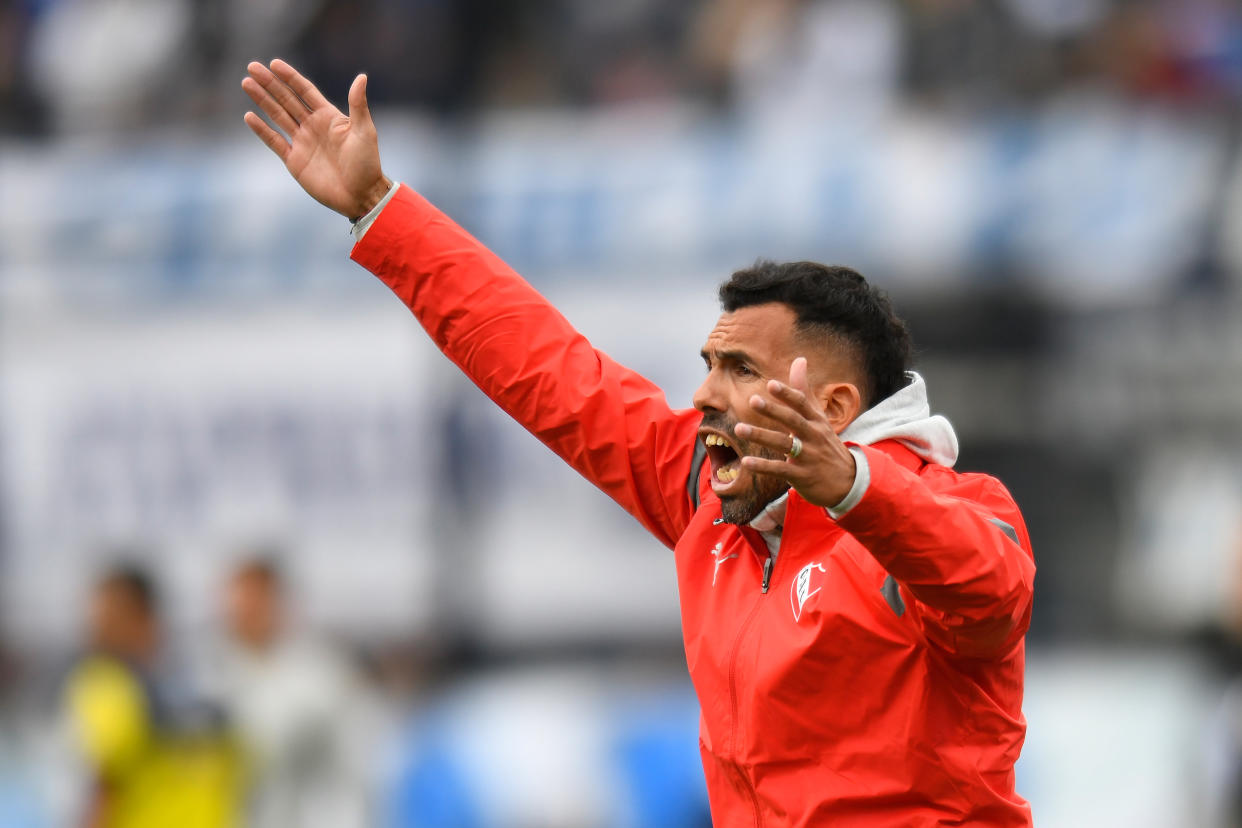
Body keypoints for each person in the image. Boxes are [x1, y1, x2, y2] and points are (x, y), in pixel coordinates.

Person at [241, 59, 1036, 826]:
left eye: (739, 369)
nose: (704, 395)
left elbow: (991, 588)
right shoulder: (713, 504)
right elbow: (552, 370)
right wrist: (381, 211)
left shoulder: (949, 513)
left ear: (833, 406)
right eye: (708, 365)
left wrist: (856, 488)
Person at [63, 564, 245, 828]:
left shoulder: (104, 683)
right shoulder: (214, 673)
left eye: (106, 618)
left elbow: (104, 785)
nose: (96, 631)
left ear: (141, 616)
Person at [211, 556, 370, 828]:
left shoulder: (320, 677)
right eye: (237, 603)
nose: (243, 613)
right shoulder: (208, 674)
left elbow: (352, 768)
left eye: (254, 602)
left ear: (277, 603)